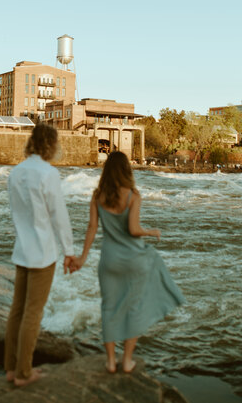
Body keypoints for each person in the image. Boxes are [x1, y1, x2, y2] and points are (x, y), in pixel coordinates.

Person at [72, 151, 185, 373]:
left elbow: (92, 228)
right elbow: (133, 230)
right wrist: (151, 231)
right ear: (126, 170)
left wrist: (82, 257)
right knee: (134, 308)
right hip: (133, 260)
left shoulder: (97, 196)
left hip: (110, 260)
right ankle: (127, 360)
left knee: (109, 308)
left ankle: (111, 362)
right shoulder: (133, 196)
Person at [4, 123, 76, 387]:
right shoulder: (48, 174)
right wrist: (69, 251)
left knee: (16, 311)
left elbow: (15, 213)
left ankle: (11, 369)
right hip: (43, 252)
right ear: (50, 145)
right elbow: (59, 216)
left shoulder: (16, 172)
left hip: (22, 249)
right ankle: (24, 373)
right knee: (33, 313)